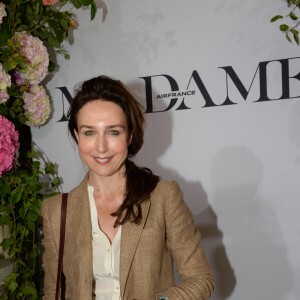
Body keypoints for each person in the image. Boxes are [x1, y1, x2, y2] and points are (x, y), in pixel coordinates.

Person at [42, 75, 215, 300]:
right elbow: (52, 294)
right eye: (89, 132)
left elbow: (200, 278)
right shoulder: (56, 211)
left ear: (130, 135)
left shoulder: (162, 197)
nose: (101, 146)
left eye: (113, 132)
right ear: (77, 136)